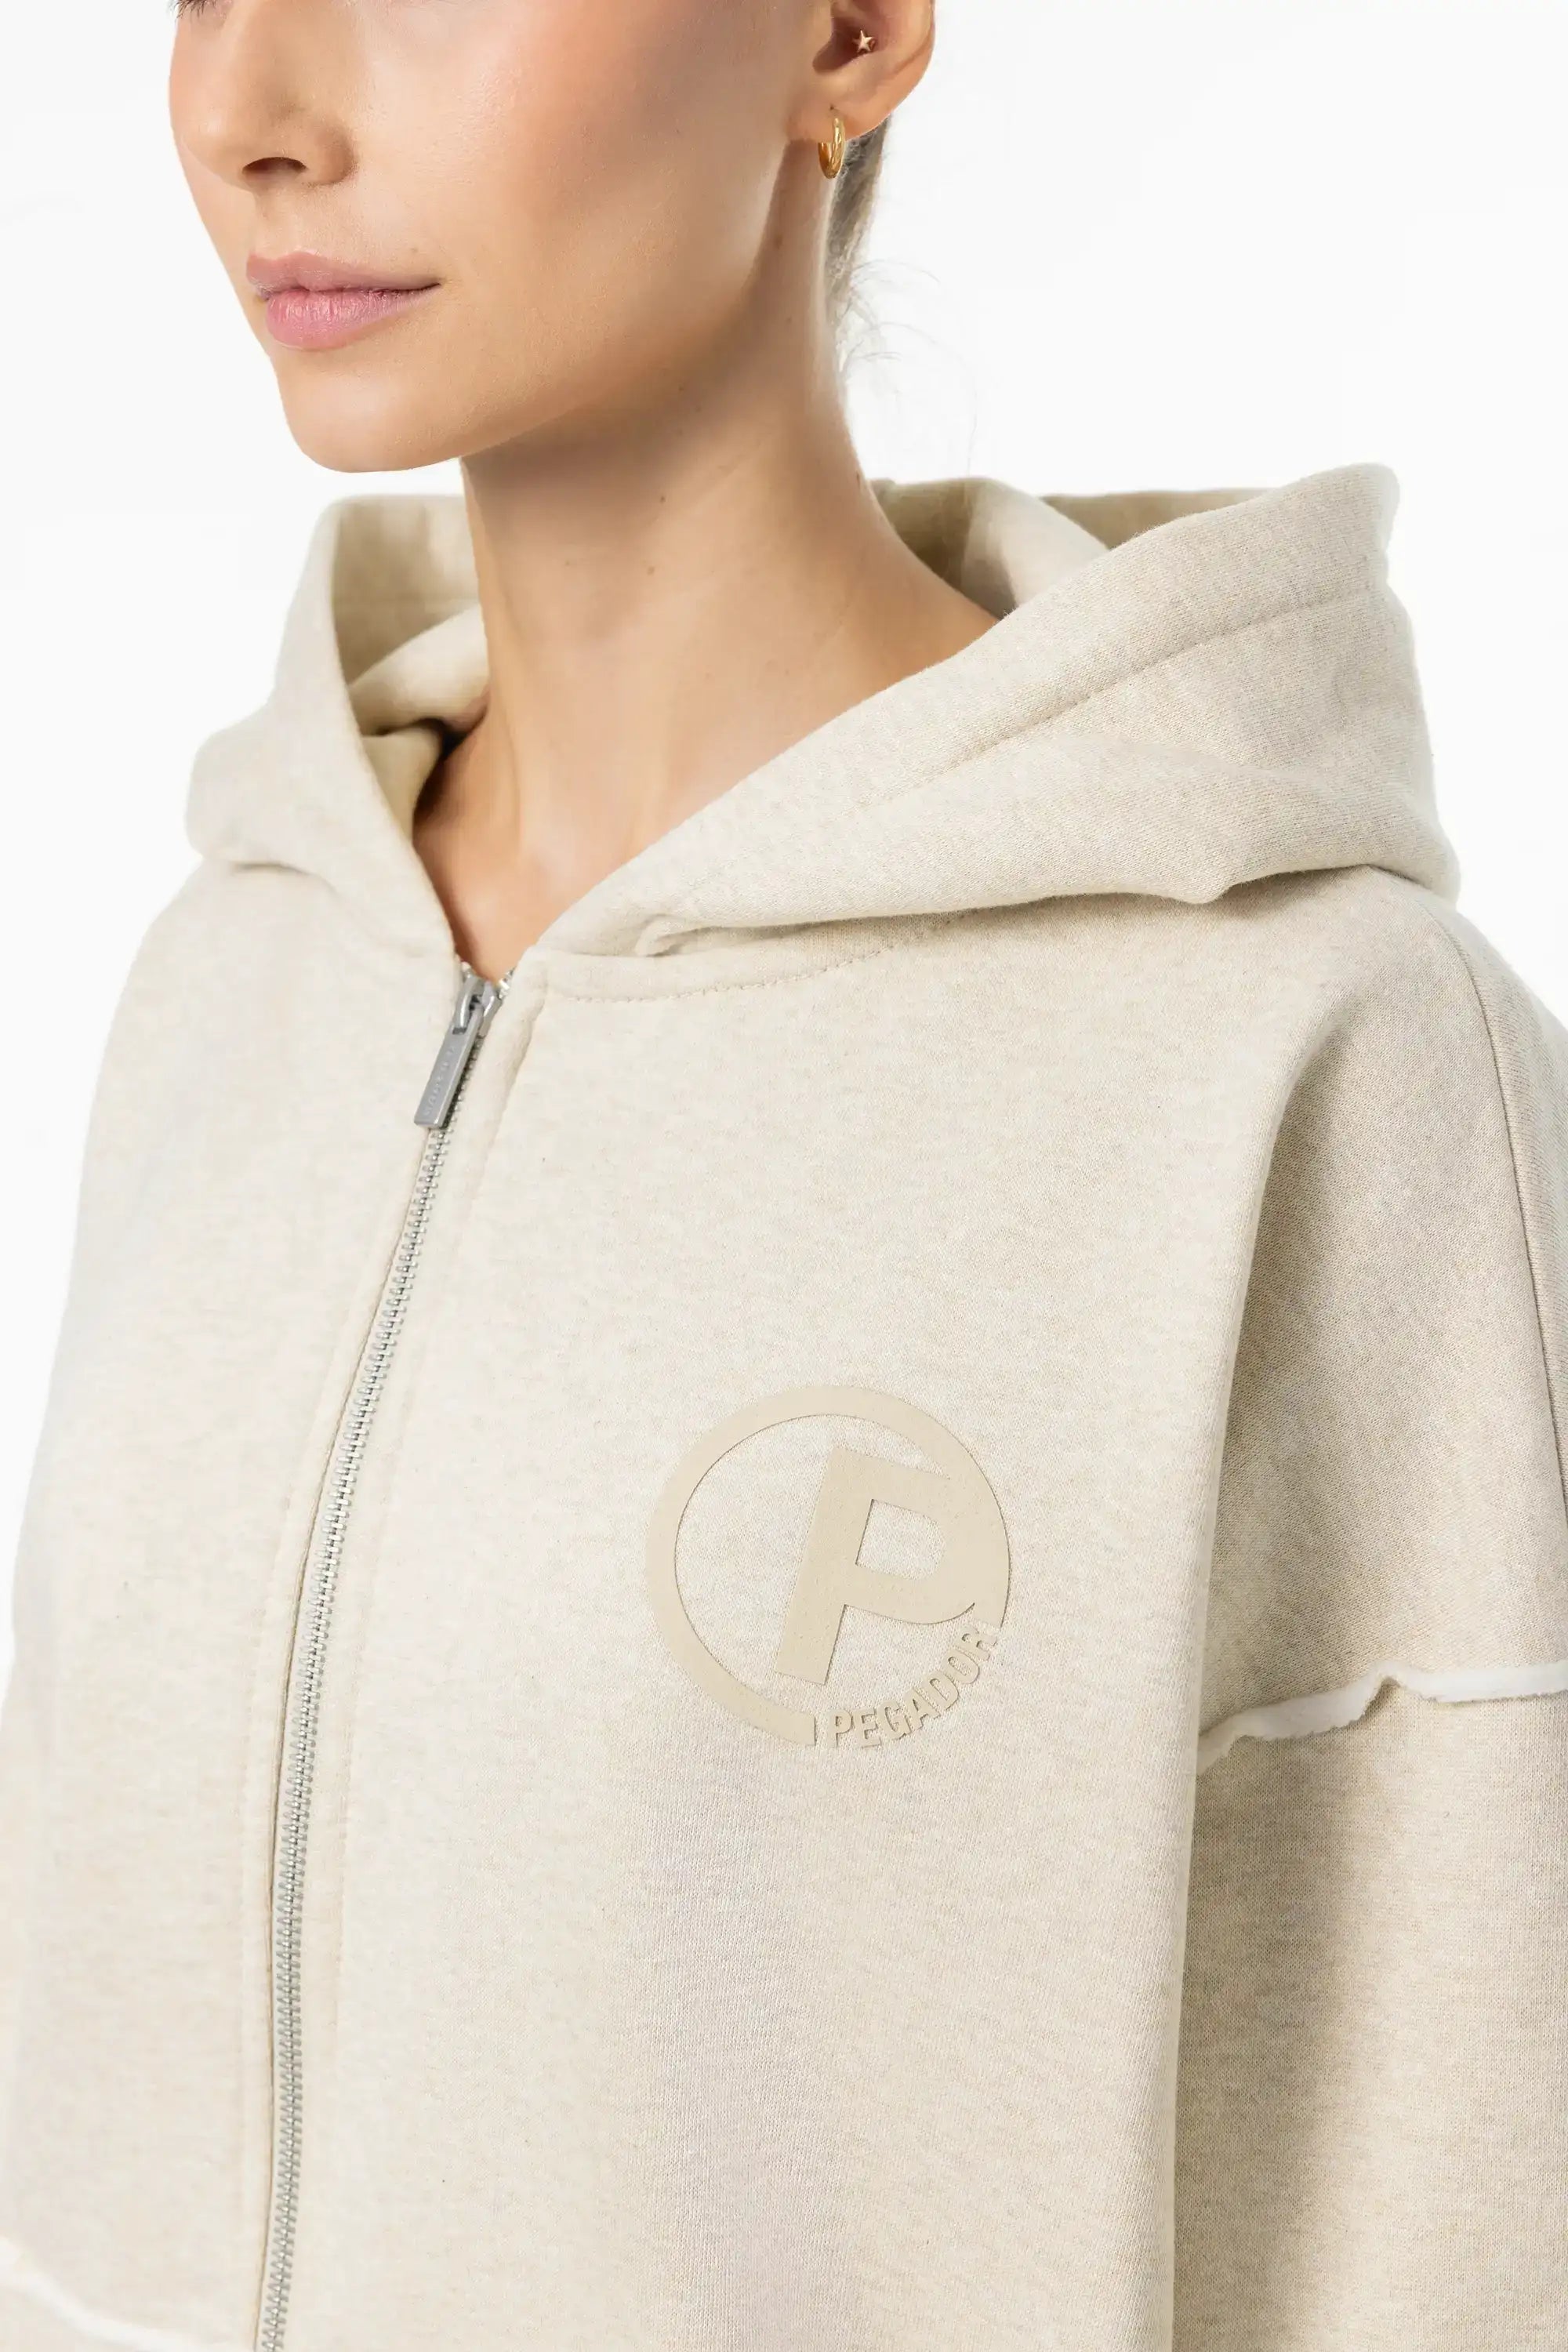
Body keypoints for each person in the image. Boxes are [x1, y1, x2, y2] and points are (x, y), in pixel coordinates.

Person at [1, 2, 1564, 2349]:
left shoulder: (1306, 1060)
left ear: (846, 31)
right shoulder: (235, 973)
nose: (251, 114)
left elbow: (1456, 2227)